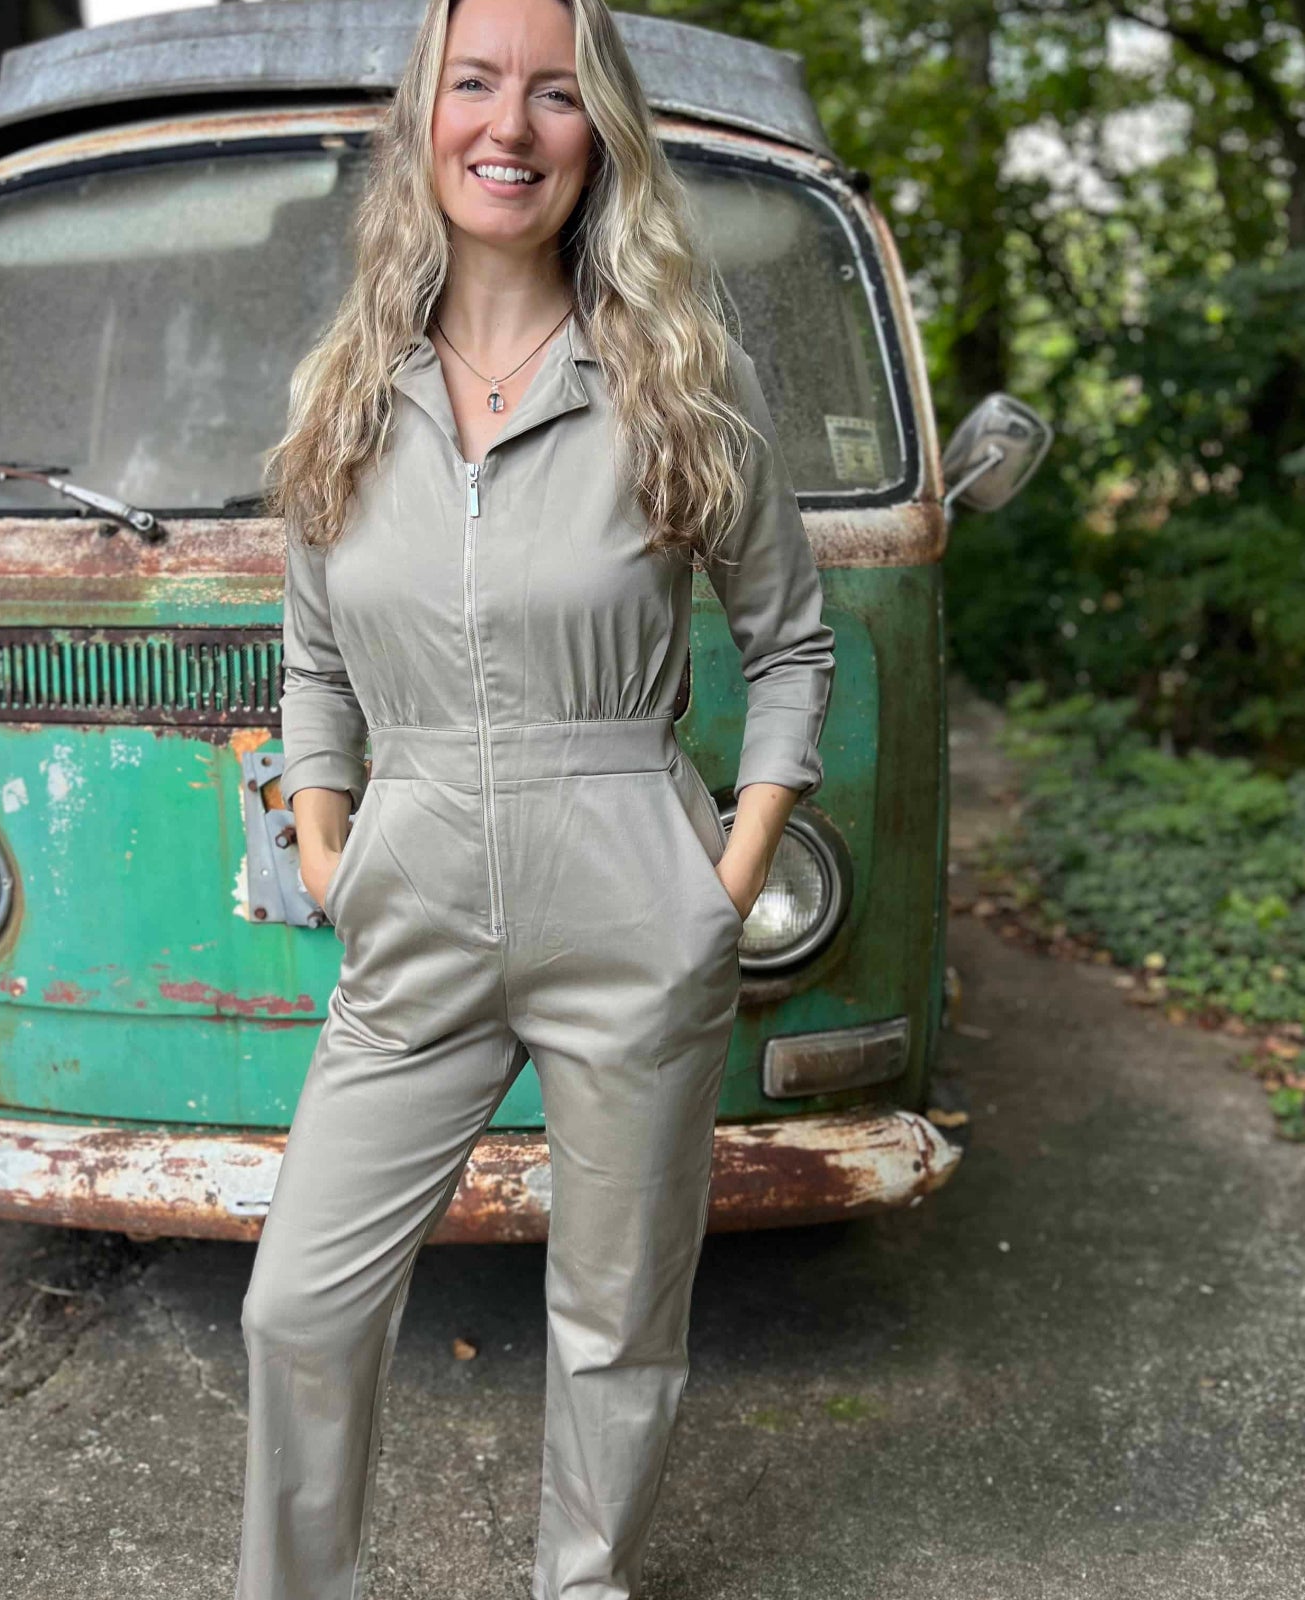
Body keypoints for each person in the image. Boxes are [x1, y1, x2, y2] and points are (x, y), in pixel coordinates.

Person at [235, 0, 836, 1595]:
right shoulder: (346, 394)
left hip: (631, 892)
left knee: (616, 1315)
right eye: (475, 83)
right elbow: (312, 661)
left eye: (556, 93)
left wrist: (723, 875)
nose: (511, 125)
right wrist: (331, 842)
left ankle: (582, 1585)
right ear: (424, 118)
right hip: (414, 900)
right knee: (296, 1305)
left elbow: (792, 646)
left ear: (599, 136)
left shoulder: (681, 383)